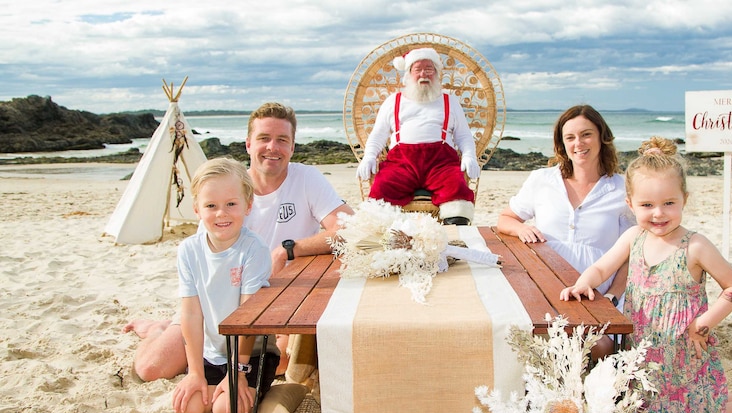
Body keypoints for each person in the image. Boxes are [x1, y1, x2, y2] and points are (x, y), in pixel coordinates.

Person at [560, 136, 732, 413]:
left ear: (684, 199)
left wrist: (704, 322)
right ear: (630, 204)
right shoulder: (633, 238)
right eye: (647, 205)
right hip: (645, 356)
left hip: (684, 357)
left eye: (669, 203)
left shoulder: (695, 246)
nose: (658, 213)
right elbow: (602, 267)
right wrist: (583, 283)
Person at [123, 102, 353, 386]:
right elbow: (204, 264)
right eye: (264, 138)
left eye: (282, 140)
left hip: (277, 302)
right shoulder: (227, 189)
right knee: (150, 369)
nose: (273, 147)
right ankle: (157, 329)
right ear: (248, 144)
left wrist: (288, 249)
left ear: (292, 147)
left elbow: (352, 229)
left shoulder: (306, 179)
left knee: (280, 362)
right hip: (218, 301)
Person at [497, 105, 633, 357]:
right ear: (562, 144)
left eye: (586, 134)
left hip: (598, 295)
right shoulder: (542, 180)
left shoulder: (621, 188)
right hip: (544, 289)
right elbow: (505, 219)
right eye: (569, 137)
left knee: (597, 347)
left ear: (602, 137)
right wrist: (520, 228)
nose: (578, 143)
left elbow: (631, 252)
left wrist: (613, 296)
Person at [171, 157, 277, 413]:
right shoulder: (188, 251)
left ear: (248, 205)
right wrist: (195, 372)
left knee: (225, 412)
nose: (221, 213)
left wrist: (237, 371)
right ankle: (211, 383)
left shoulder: (254, 249)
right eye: (211, 206)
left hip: (250, 352)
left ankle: (250, 387)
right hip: (212, 353)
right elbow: (192, 315)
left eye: (231, 204)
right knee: (189, 410)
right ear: (197, 209)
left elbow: (247, 316)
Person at [356, 47, 479, 225]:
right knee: (383, 185)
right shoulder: (393, 101)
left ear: (436, 73)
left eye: (429, 69)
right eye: (418, 69)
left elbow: (464, 135)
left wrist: (469, 155)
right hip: (401, 163)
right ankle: (384, 232)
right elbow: (378, 134)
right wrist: (368, 156)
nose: (423, 74)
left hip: (441, 163)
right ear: (408, 73)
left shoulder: (449, 101)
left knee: (456, 186)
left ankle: (455, 231)